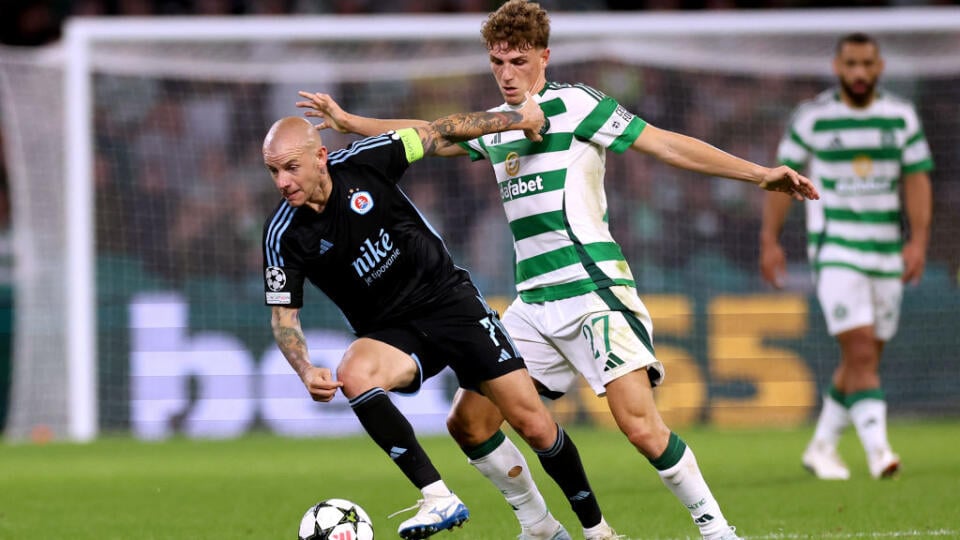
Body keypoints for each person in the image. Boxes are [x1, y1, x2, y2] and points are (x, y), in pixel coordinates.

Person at [295, 2, 818, 539]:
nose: (506, 73)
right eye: (497, 62)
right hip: (535, 303)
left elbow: (663, 143)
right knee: (468, 424)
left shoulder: (576, 104)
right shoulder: (497, 127)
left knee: (639, 428)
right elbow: (427, 133)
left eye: (518, 61)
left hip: (594, 291)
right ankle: (539, 527)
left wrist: (759, 176)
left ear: (544, 57)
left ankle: (717, 531)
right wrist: (349, 123)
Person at [261, 100, 610, 540]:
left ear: (320, 156)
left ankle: (598, 532)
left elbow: (439, 131)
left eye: (290, 167)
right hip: (392, 331)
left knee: (532, 424)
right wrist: (305, 367)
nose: (282, 181)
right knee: (354, 373)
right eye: (273, 172)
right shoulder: (283, 234)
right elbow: (284, 317)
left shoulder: (367, 160)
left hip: (450, 302)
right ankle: (440, 497)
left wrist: (517, 118)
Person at [760, 33, 933, 481]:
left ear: (880, 67)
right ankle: (880, 453)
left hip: (886, 251)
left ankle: (821, 447)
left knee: (863, 360)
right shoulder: (813, 117)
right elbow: (783, 177)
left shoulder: (900, 117)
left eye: (867, 64)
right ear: (837, 67)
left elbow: (916, 179)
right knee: (858, 350)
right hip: (836, 248)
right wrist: (769, 240)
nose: (859, 73)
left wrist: (918, 241)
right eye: (851, 63)